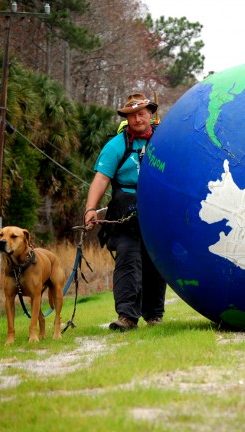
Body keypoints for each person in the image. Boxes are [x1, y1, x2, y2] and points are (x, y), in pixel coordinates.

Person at [84, 93, 166, 331]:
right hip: (124, 210)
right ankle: (127, 316)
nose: (138, 119)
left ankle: (154, 315)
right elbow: (101, 179)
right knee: (128, 257)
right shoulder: (116, 145)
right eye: (132, 116)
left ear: (150, 114)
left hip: (156, 208)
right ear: (127, 118)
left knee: (154, 260)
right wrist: (90, 209)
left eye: (142, 114)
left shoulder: (163, 141)